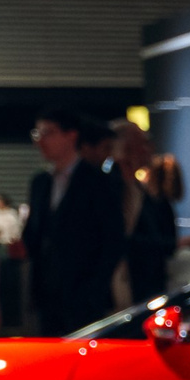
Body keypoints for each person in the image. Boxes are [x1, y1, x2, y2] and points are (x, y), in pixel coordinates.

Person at [22, 112, 125, 334]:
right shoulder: (41, 182)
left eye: (48, 133)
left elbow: (113, 240)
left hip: (84, 296)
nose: (40, 141)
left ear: (71, 136)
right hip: (46, 296)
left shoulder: (98, 182)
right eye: (37, 134)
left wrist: (94, 289)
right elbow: (35, 234)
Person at [109, 121, 177, 307]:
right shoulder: (111, 188)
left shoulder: (140, 189)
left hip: (144, 292)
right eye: (143, 143)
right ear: (126, 149)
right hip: (123, 292)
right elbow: (122, 239)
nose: (150, 149)